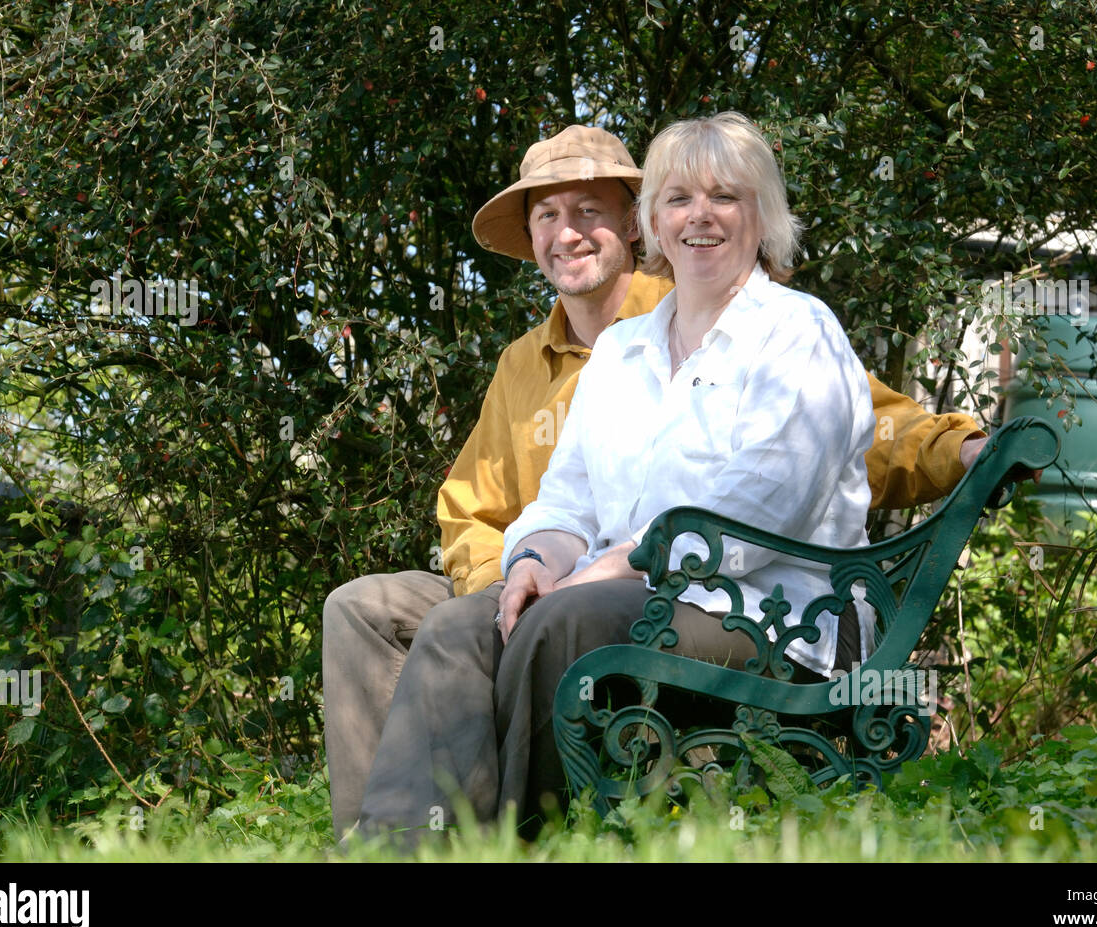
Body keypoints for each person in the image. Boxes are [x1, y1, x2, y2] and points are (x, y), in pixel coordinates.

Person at [324, 124, 986, 840]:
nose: (699, 215)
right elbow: (564, 495)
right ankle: (391, 848)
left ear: (760, 216)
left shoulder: (798, 332)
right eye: (678, 198)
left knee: (563, 620)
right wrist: (530, 564)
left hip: (769, 615)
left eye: (724, 197)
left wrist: (601, 569)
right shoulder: (622, 352)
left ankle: (518, 843)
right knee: (468, 619)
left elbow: (754, 510)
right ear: (656, 223)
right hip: (623, 595)